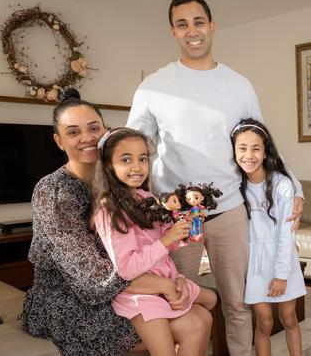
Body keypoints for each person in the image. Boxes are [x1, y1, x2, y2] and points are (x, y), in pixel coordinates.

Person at [126, 0, 304, 354]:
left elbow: (262, 143)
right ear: (172, 31)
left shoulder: (239, 85)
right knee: (179, 301)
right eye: (182, 24)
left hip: (230, 211)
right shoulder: (153, 87)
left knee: (238, 304)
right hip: (176, 217)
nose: (192, 31)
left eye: (198, 22)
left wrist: (295, 187)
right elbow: (131, 150)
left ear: (211, 26)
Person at [21, 89, 206, 356]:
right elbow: (92, 280)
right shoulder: (54, 193)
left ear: (105, 133)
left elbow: (148, 240)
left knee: (201, 313)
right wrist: (165, 286)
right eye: (73, 132)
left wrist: (174, 270)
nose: (87, 138)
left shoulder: (123, 186)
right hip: (73, 302)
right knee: (192, 321)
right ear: (59, 141)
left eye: (94, 128)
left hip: (130, 285)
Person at [91, 127, 217, 356]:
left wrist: (183, 229)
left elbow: (166, 243)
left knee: (211, 301)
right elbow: (127, 269)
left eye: (142, 158)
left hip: (164, 276)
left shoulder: (147, 199)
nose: (137, 167)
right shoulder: (109, 211)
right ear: (109, 165)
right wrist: (167, 239)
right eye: (126, 159)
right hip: (140, 294)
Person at [231, 119, 306, 356]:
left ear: (265, 152)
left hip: (282, 257)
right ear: (234, 151)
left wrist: (281, 276)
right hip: (254, 261)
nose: (248, 155)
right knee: (263, 323)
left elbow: (286, 233)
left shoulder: (282, 185)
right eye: (242, 148)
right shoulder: (235, 185)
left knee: (289, 318)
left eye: (256, 148)